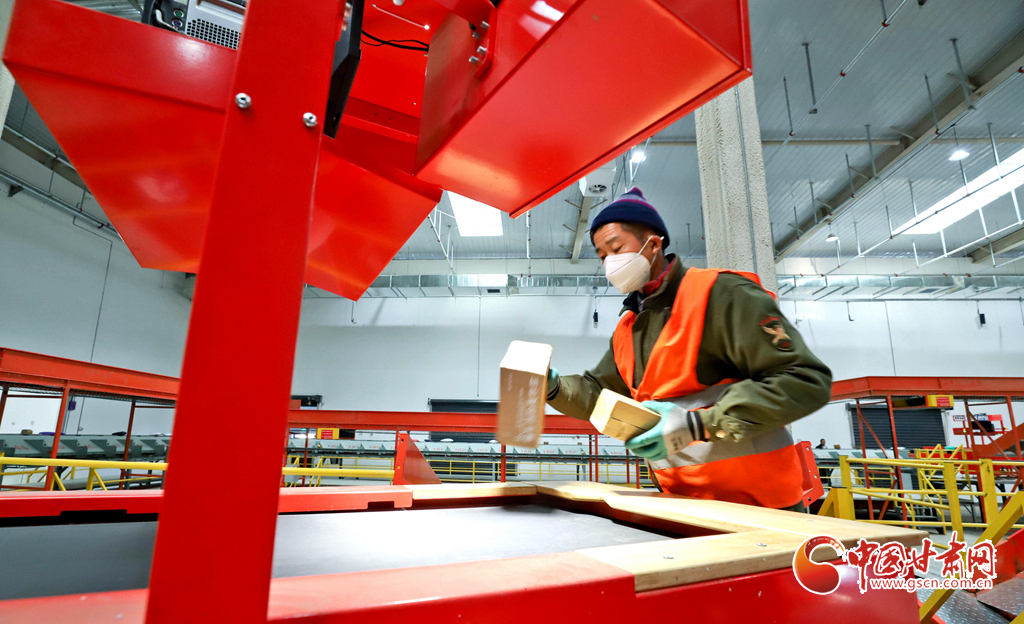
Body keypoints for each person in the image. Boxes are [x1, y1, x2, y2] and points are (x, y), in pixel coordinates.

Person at [545, 187, 832, 511]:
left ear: (654, 244)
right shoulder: (630, 326)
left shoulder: (722, 294)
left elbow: (805, 380)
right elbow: (599, 393)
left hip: (763, 507)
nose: (610, 263)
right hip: (681, 507)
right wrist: (554, 387)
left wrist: (700, 424)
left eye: (616, 248)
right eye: (602, 256)